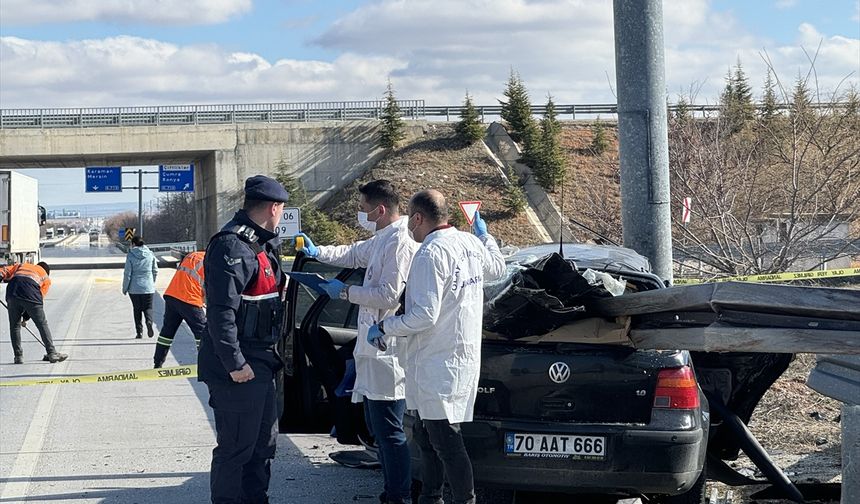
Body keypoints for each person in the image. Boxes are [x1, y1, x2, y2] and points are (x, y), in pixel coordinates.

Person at [370, 190, 505, 504]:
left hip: (437, 365)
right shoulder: (469, 243)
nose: (408, 230)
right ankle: (431, 498)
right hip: (454, 362)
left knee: (446, 443)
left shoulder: (431, 253)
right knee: (428, 440)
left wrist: (385, 327)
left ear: (418, 218)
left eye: (410, 222)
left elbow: (423, 316)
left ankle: (463, 500)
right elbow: (497, 268)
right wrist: (485, 236)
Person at [294, 179, 418, 504]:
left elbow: (389, 294)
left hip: (389, 350)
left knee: (391, 432)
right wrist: (317, 251)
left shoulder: (401, 242)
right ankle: (393, 491)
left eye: (363, 209)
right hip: (374, 349)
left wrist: (345, 292)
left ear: (379, 209)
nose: (360, 213)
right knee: (382, 431)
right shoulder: (382, 238)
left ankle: (399, 496)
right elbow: (352, 254)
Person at [198, 174, 289, 504]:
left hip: (262, 363)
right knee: (236, 450)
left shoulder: (261, 245)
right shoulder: (231, 246)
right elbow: (221, 313)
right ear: (274, 207)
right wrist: (236, 364)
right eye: (281, 209)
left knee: (262, 447)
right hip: (237, 368)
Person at [1, 261, 68, 364]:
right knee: (42, 324)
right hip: (31, 296)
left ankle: (18, 356)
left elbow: (4, 270)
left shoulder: (22, 265)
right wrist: (27, 315)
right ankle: (52, 353)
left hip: (12, 293)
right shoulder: (45, 277)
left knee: (14, 326)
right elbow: (39, 297)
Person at [152, 251, 206, 369]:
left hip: (172, 295)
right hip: (189, 299)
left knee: (167, 332)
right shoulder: (212, 262)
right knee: (203, 332)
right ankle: (206, 364)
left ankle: (158, 363)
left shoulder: (193, 255)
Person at [122, 235, 158, 339]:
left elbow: (127, 274)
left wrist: (125, 288)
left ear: (133, 244)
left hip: (134, 288)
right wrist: (151, 282)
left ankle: (139, 332)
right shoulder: (151, 254)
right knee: (148, 307)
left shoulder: (130, 255)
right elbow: (155, 270)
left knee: (137, 309)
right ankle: (149, 321)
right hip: (148, 287)